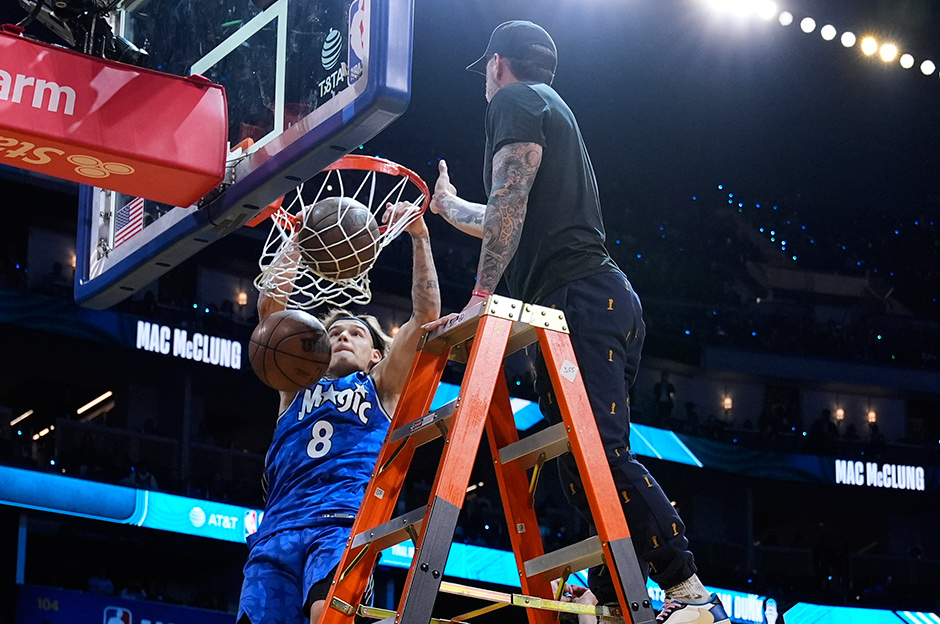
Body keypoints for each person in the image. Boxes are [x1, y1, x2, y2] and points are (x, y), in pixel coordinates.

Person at [426, 20, 728, 624]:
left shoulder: (514, 99)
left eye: (487, 71)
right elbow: (509, 213)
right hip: (586, 300)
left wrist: (482, 294)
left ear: (496, 64)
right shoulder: (546, 105)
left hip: (582, 298)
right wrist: (447, 205)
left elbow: (509, 200)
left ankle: (692, 592)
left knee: (600, 457)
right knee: (578, 463)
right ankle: (616, 596)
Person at [237, 201, 440, 624]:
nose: (344, 336)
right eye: (334, 333)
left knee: (325, 617)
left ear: (376, 354)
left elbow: (425, 316)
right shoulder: (295, 383)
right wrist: (297, 239)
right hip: (276, 529)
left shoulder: (380, 386)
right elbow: (271, 313)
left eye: (356, 333)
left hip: (340, 522)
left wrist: (420, 236)